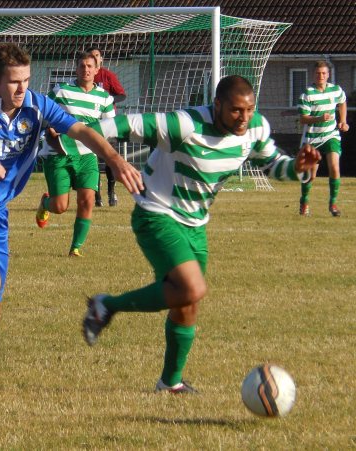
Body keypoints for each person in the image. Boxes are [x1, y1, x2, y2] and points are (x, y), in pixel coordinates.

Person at [0, 43, 143, 403]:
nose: (22, 89)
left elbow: (80, 130)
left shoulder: (36, 105)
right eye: (14, 82)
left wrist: (113, 159)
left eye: (27, 80)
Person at [82, 75, 321, 394]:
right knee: (192, 288)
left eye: (249, 110)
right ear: (217, 104)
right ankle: (106, 306)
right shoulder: (184, 125)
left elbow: (273, 164)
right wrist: (109, 157)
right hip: (156, 213)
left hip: (196, 224)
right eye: (236, 111)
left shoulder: (255, 128)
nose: (244, 118)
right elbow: (110, 127)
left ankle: (169, 383)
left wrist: (297, 167)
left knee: (187, 303)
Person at [35, 51, 116, 257]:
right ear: (76, 68)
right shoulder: (61, 91)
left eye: (90, 66)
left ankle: (75, 248)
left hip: (87, 156)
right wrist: (49, 129)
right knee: (60, 206)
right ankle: (46, 202)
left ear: (97, 69)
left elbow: (110, 127)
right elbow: (43, 113)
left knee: (87, 200)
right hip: (58, 153)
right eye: (82, 66)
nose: (86, 70)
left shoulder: (105, 98)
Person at [297, 60, 349, 217]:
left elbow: (342, 102)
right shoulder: (307, 94)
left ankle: (333, 204)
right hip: (312, 139)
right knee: (311, 175)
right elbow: (303, 118)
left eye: (324, 73)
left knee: (334, 166)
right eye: (318, 73)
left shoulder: (336, 90)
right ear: (314, 74)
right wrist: (319, 118)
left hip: (330, 135)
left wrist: (343, 120)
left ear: (328, 75)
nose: (321, 76)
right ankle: (304, 201)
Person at [87, 47, 127, 207]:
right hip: (90, 124)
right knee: (91, 159)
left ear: (101, 59)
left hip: (108, 123)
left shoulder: (108, 75)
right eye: (91, 56)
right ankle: (96, 195)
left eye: (97, 56)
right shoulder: (85, 76)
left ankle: (111, 192)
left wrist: (107, 100)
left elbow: (122, 94)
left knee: (109, 159)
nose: (94, 58)